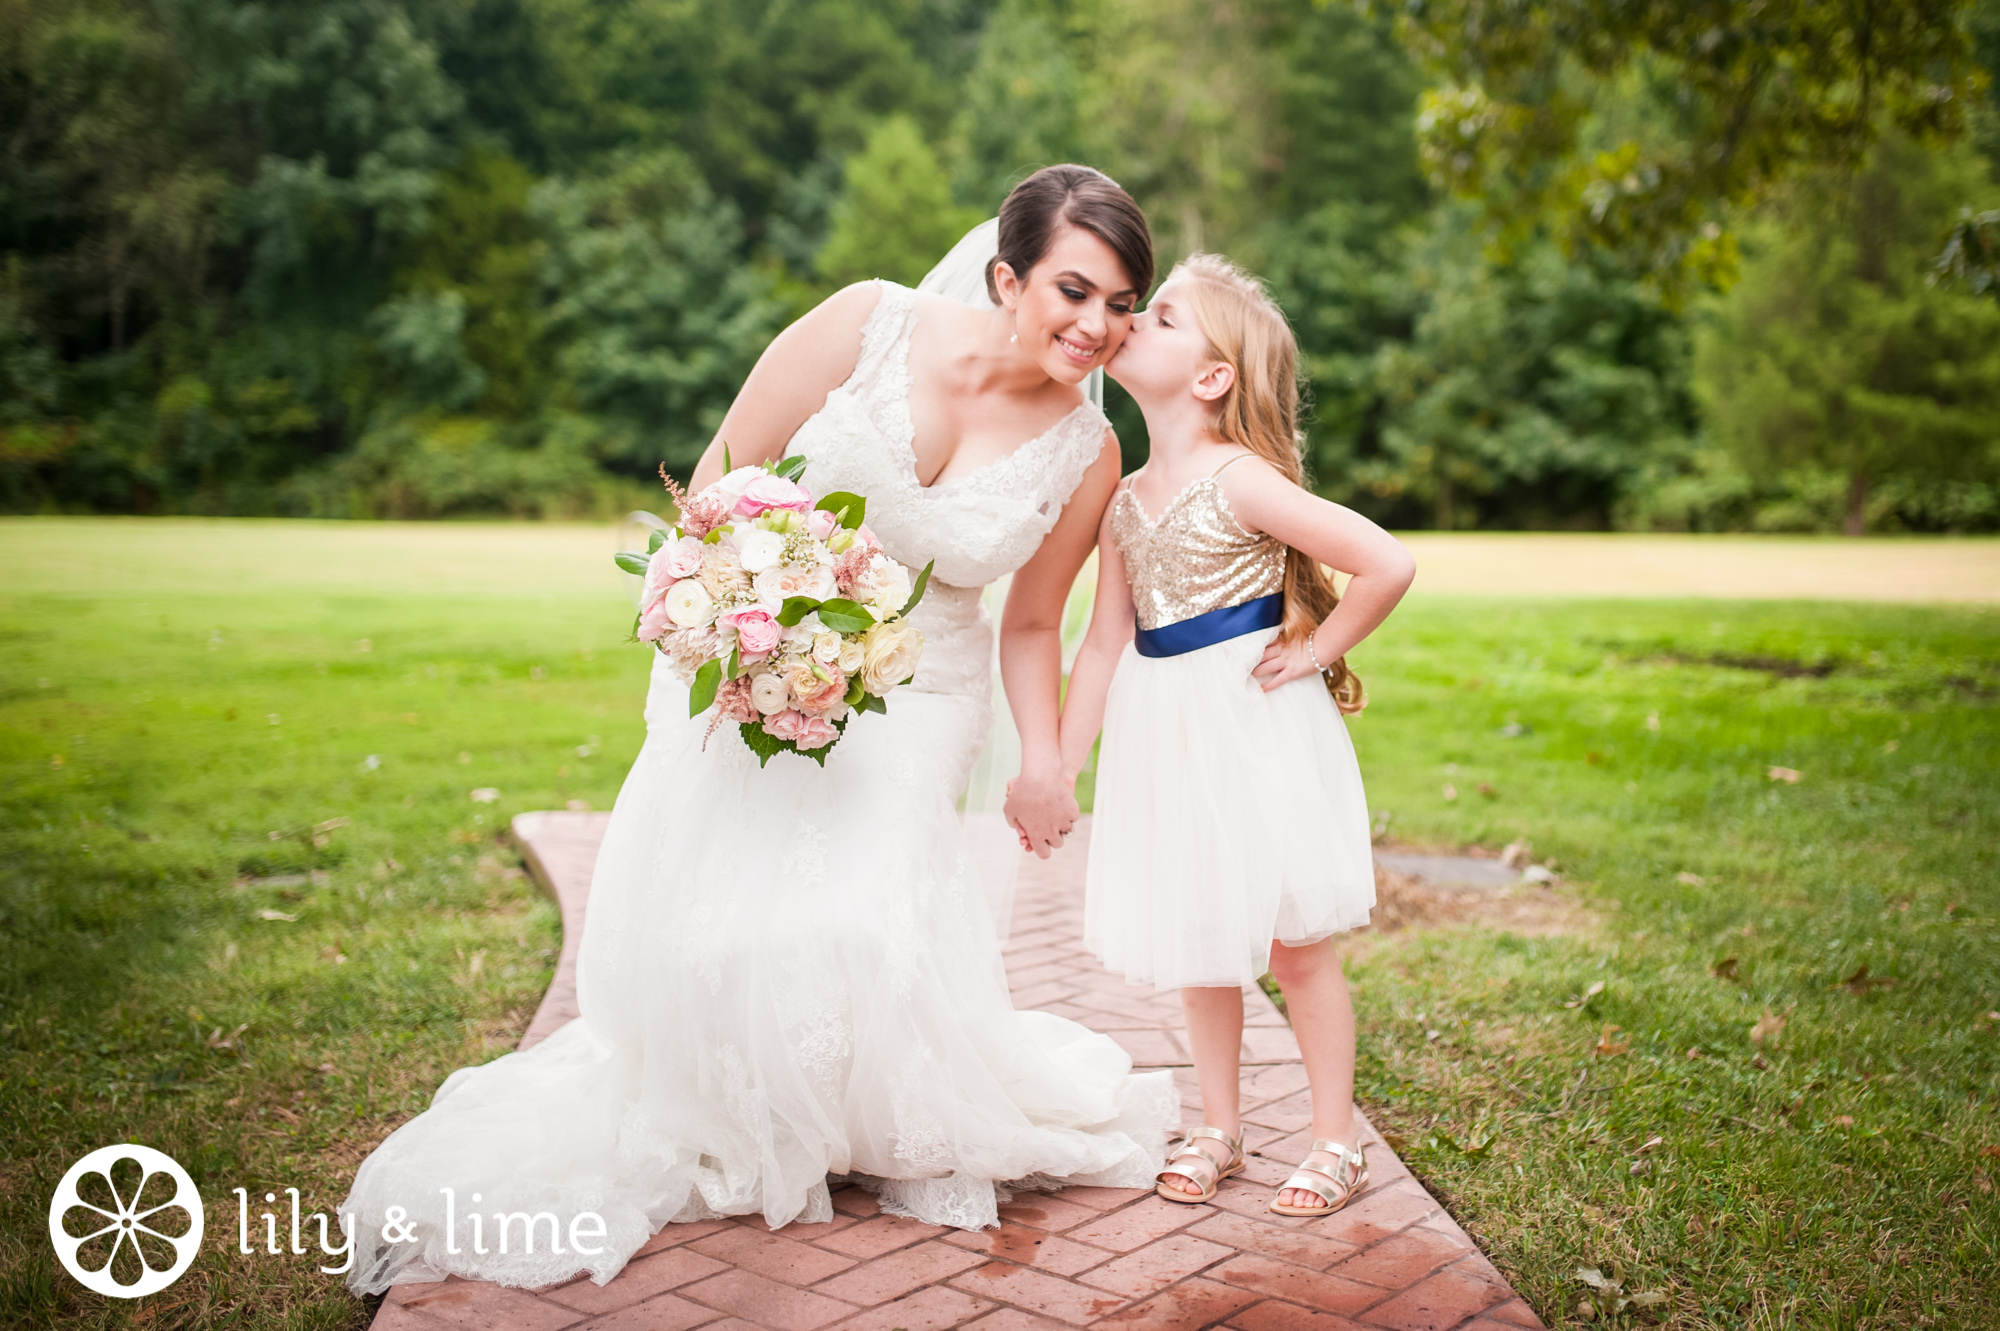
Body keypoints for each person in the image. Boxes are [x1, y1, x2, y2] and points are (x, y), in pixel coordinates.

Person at [339, 166, 1181, 1295]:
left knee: (863, 907)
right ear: (1006, 274)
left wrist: (1043, 757)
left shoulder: (1090, 450)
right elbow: (722, 476)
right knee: (736, 907)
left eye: (1122, 304)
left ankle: (866, 1117)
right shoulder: (864, 323)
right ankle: (741, 1097)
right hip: (771, 646)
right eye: (1075, 290)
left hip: (927, 683)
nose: (1097, 325)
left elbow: (1031, 623)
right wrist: (746, 622)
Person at [1053, 253, 1416, 1217]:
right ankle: (1219, 1124)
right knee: (1200, 936)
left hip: (1252, 729)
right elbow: (1099, 646)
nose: (1134, 322)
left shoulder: (1241, 482)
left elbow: (1384, 561)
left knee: (1294, 946)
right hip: (1162, 730)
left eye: (1162, 316)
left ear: (1213, 377)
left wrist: (1314, 650)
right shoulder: (1125, 499)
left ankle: (1336, 1140)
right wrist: (1058, 761)